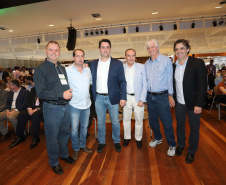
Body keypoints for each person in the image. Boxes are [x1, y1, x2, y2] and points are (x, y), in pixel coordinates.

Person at [34, 41, 74, 175]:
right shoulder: (40, 70)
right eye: (51, 50)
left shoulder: (62, 68)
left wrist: (67, 94)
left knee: (64, 134)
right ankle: (54, 162)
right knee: (52, 137)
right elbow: (41, 92)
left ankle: (64, 154)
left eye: (56, 50)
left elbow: (64, 85)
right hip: (52, 108)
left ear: (59, 52)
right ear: (46, 51)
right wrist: (61, 94)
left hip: (66, 107)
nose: (54, 52)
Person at [172, 39, 207, 164]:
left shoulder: (197, 63)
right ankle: (181, 145)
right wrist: (171, 96)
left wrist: (199, 103)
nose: (179, 51)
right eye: (176, 49)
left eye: (182, 48)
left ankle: (191, 151)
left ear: (187, 49)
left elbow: (203, 85)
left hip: (194, 104)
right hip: (179, 103)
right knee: (180, 126)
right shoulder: (174, 66)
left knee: (194, 129)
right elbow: (173, 84)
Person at [90, 39, 127, 153]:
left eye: (107, 47)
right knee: (100, 122)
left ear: (110, 49)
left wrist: (123, 97)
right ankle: (101, 142)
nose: (105, 49)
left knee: (115, 121)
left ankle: (116, 141)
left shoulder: (117, 64)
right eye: (103, 47)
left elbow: (122, 82)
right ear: (99, 49)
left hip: (113, 97)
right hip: (98, 98)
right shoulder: (93, 64)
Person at [145, 39, 177, 157]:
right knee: (153, 121)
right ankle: (158, 138)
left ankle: (172, 144)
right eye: (148, 48)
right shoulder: (146, 63)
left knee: (167, 122)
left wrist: (170, 95)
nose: (150, 50)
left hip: (162, 96)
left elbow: (169, 79)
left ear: (157, 48)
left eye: (152, 47)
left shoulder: (166, 61)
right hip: (150, 96)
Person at [66, 49, 92, 161]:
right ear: (73, 58)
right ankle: (75, 149)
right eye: (77, 56)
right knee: (74, 129)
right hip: (74, 105)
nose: (80, 58)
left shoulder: (88, 70)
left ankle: (83, 145)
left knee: (84, 127)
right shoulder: (67, 70)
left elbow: (90, 83)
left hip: (87, 104)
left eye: (82, 56)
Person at [122, 48, 147, 149]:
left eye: (133, 55)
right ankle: (127, 137)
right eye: (129, 56)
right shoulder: (122, 68)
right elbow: (120, 83)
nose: (131, 58)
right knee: (126, 119)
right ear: (125, 57)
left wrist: (142, 99)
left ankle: (138, 138)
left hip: (138, 97)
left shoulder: (142, 67)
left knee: (139, 120)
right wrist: (121, 97)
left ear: (135, 57)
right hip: (126, 97)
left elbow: (145, 84)